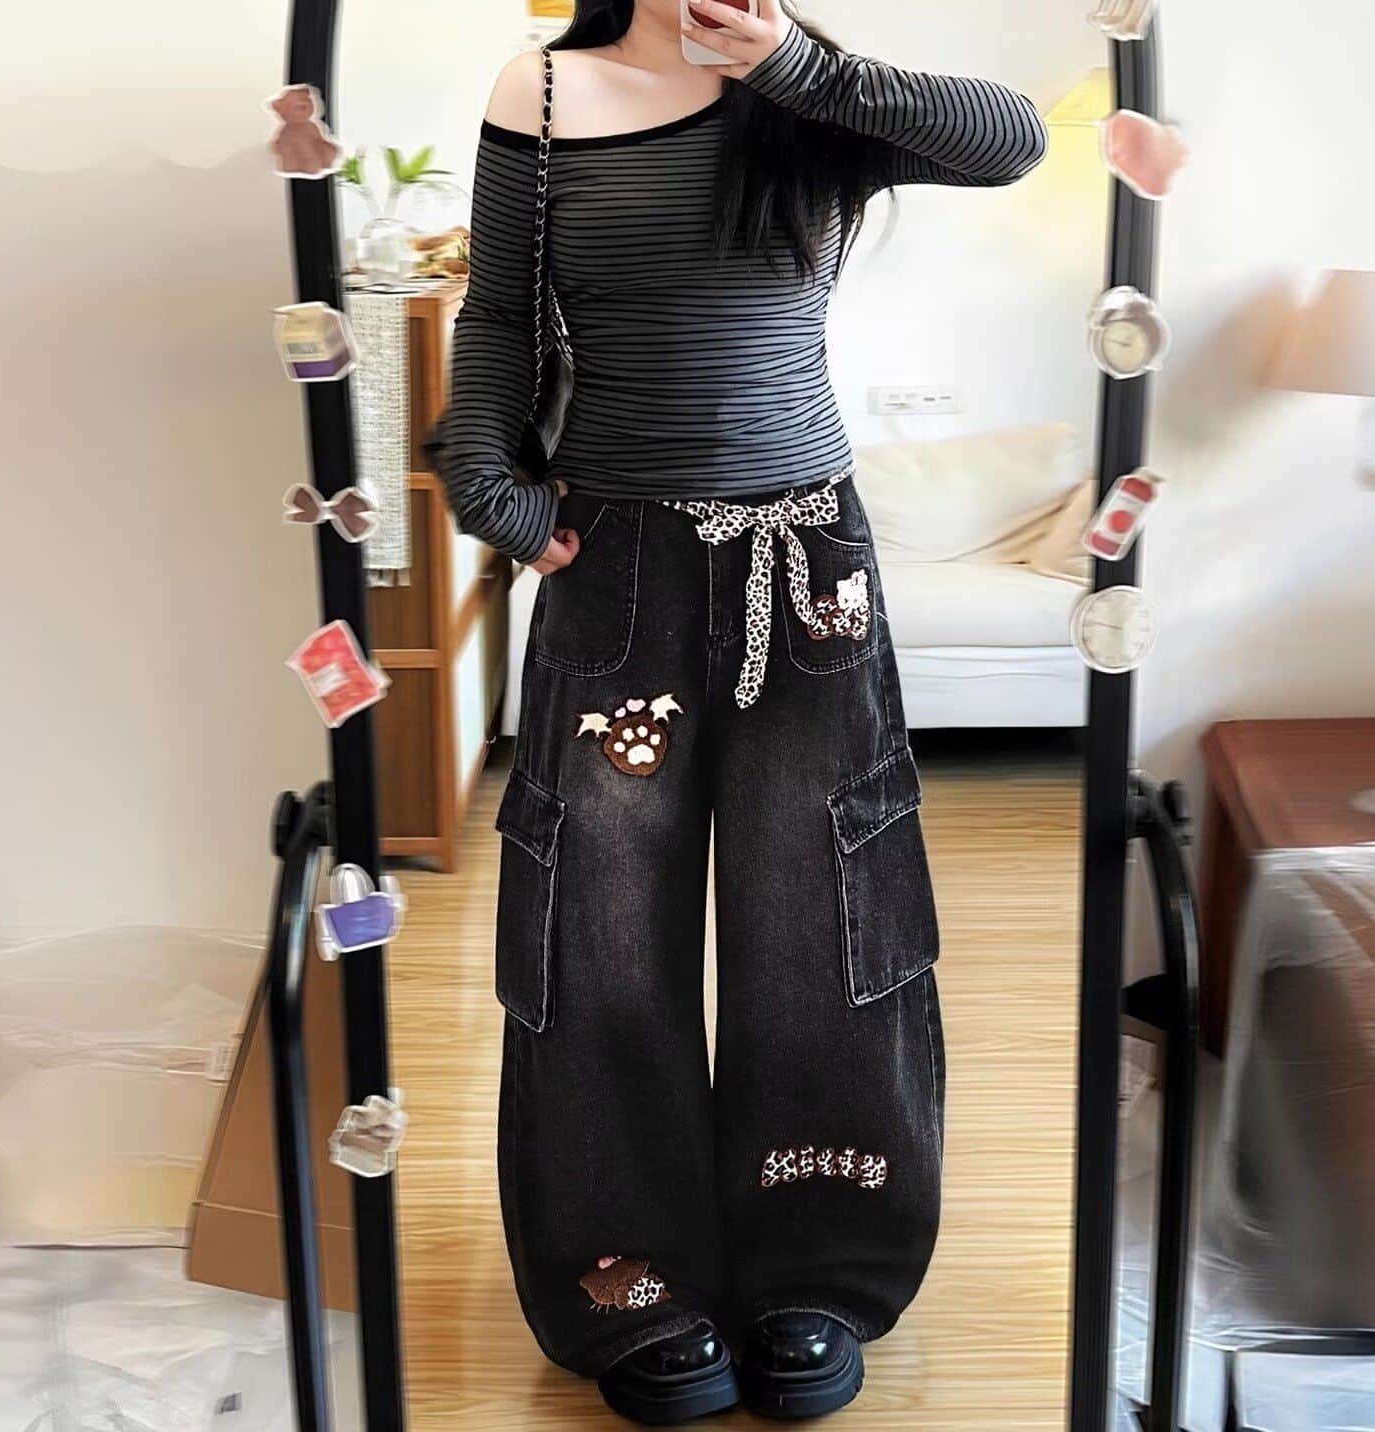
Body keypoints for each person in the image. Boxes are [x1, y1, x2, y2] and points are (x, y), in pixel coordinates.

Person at [429, 1, 1046, 1422]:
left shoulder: (813, 93)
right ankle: (627, 1276)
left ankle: (815, 1268)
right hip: (614, 565)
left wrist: (794, 68)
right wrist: (486, 480)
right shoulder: (543, 90)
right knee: (598, 928)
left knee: (821, 913)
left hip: (807, 560)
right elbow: (503, 312)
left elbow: (1009, 142)